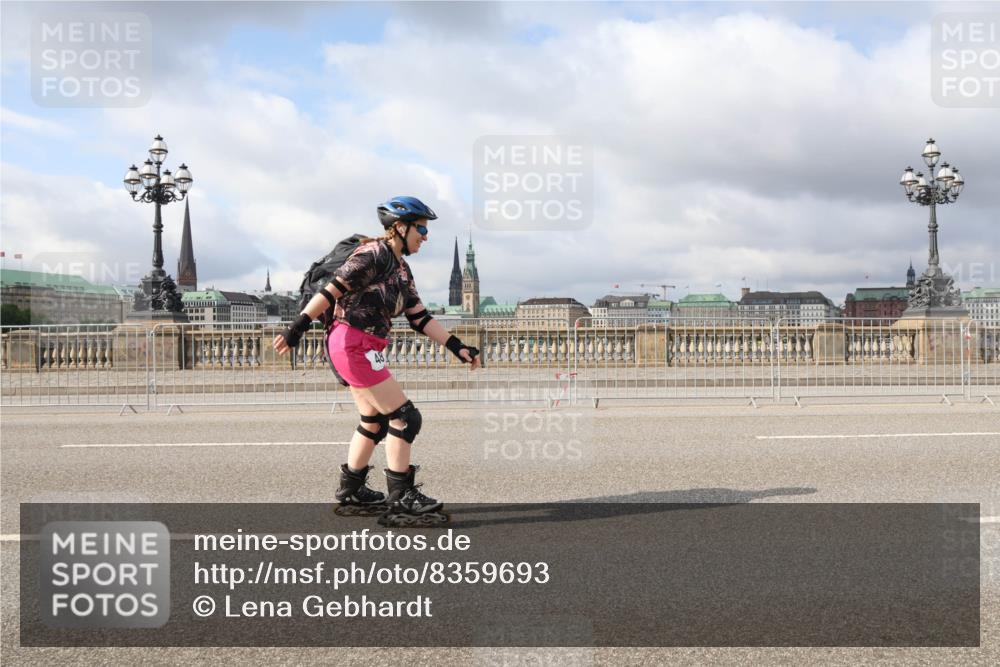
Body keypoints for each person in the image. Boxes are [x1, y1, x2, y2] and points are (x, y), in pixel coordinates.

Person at [273, 196, 481, 526]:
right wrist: (297, 326)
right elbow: (332, 290)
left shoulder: (401, 268)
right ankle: (400, 502)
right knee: (405, 418)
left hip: (363, 346)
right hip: (352, 343)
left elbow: (419, 316)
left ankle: (351, 490)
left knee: (374, 421)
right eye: (422, 228)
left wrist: (457, 345)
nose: (425, 236)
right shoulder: (373, 253)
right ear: (399, 227)